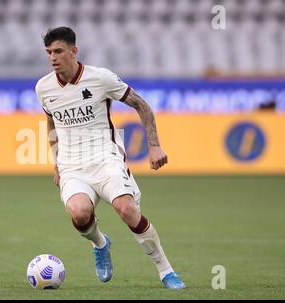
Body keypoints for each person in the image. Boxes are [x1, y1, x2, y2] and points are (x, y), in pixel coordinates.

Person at [35, 26, 185, 289]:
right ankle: (100, 244)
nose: (52, 58)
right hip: (72, 165)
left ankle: (166, 271)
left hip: (106, 158)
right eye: (48, 52)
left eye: (58, 51)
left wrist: (154, 145)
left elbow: (141, 104)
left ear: (73, 51)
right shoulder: (44, 87)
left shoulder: (100, 78)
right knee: (80, 213)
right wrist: (55, 161)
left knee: (126, 209)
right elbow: (51, 124)